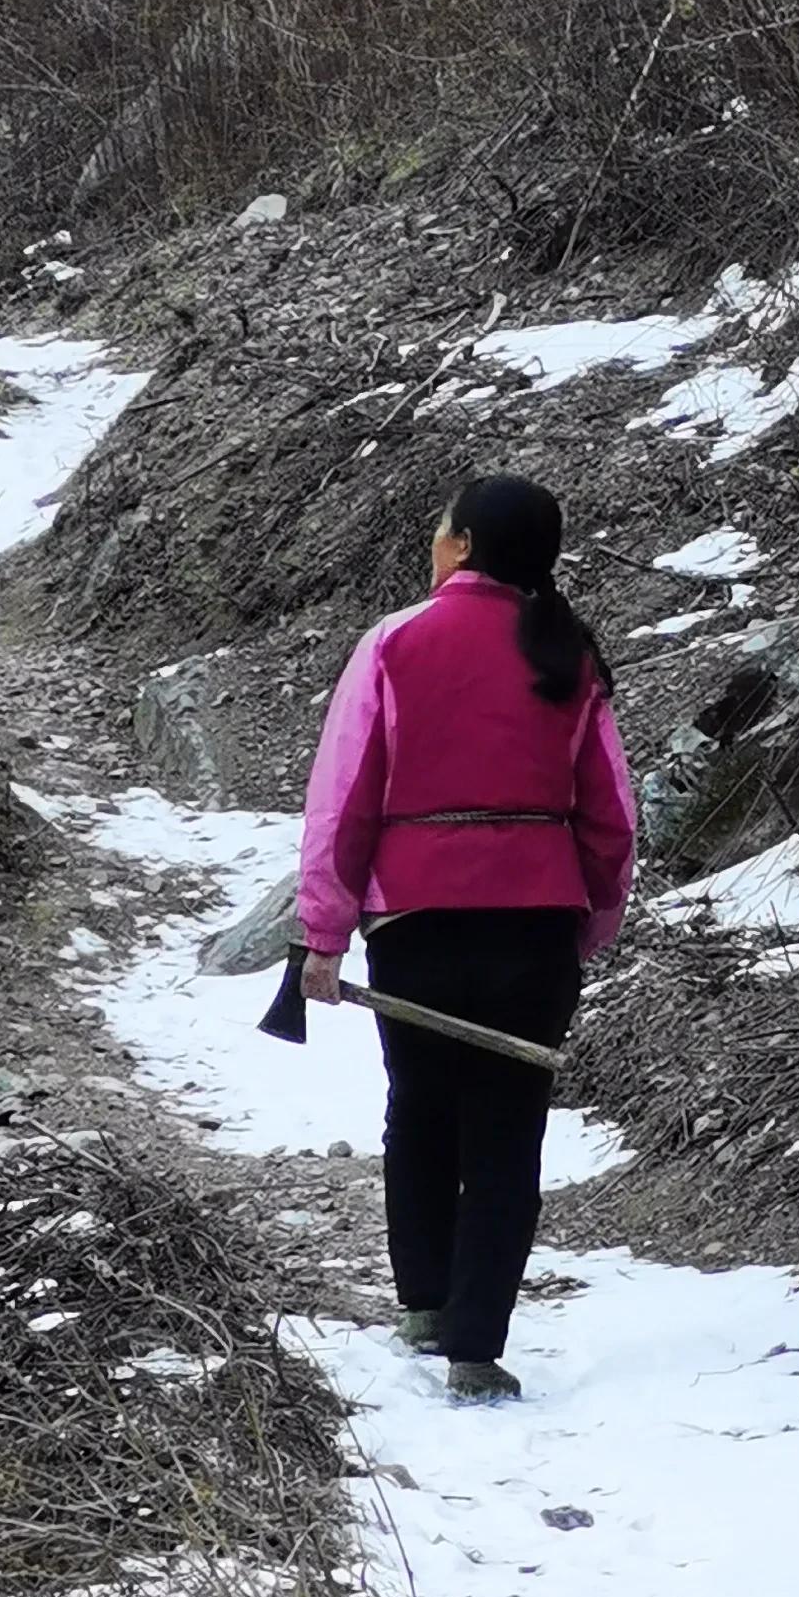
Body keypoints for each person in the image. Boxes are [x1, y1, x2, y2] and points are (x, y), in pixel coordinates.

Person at [296, 473, 637, 1400]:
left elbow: (343, 801)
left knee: (420, 1104)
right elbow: (613, 820)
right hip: (536, 930)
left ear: (463, 546)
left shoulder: (396, 644)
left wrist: (324, 934)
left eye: (441, 528)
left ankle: (425, 1303)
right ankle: (476, 1350)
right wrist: (589, 924)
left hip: (415, 922)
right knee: (507, 1132)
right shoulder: (572, 656)